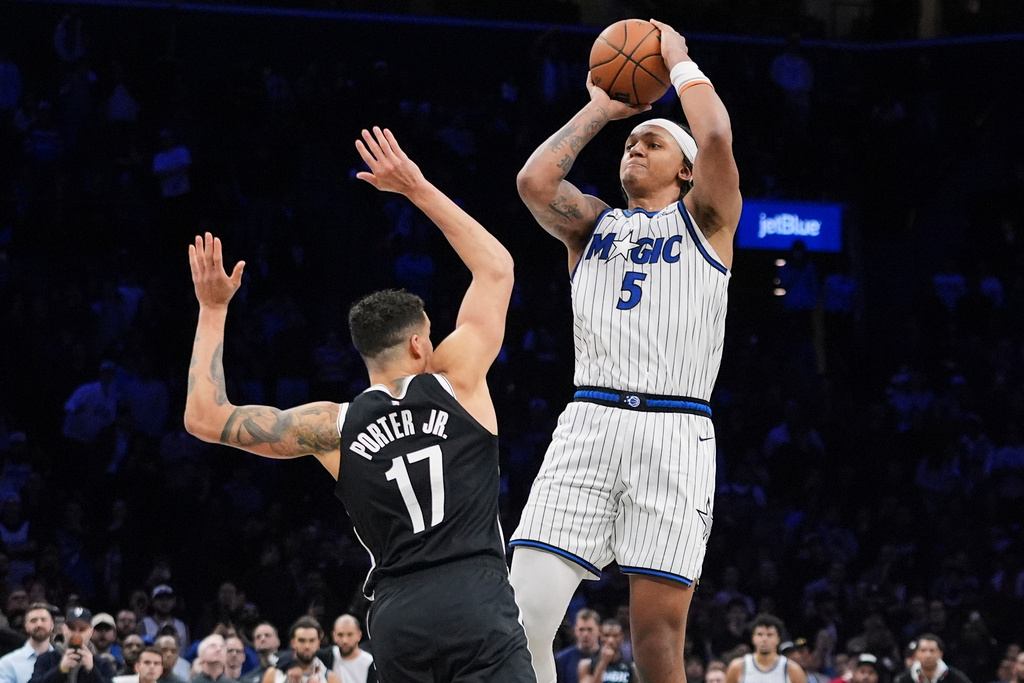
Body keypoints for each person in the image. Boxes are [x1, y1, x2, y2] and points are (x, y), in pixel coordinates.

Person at [183, 126, 532, 683]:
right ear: (420, 343)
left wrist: (213, 309)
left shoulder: (332, 426)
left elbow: (203, 417)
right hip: (478, 601)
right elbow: (496, 267)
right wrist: (416, 188)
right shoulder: (458, 379)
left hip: (399, 615)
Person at [508, 18, 742, 683]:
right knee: (519, 612)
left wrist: (679, 60)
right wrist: (603, 108)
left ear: (687, 168)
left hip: (675, 428)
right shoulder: (591, 224)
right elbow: (533, 181)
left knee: (657, 641)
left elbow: (718, 133)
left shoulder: (709, 218)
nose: (635, 147)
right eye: (630, 141)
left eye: (652, 140)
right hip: (589, 421)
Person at [29, 606, 116, 683]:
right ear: (63, 629)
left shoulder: (103, 664)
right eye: (72, 628)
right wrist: (60, 670)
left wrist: (92, 670)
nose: (76, 634)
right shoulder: (46, 659)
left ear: (91, 632)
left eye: (82, 629)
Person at [725, 614, 808, 683]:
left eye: (770, 635)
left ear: (778, 639)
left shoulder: (792, 669)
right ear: (753, 638)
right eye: (760, 634)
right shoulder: (738, 667)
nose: (764, 639)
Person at [262, 618, 336, 683]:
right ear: (293, 643)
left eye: (312, 640)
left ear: (318, 642)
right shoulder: (273, 674)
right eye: (302, 640)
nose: (307, 646)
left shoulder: (330, 678)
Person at [0, 603, 53, 683]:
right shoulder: (8, 664)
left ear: (52, 624)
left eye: (43, 619)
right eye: (33, 621)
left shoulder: (62, 658)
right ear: (26, 627)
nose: (39, 624)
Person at [892, 635, 972, 683]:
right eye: (923, 650)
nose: (928, 655)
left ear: (940, 654)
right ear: (916, 654)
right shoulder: (903, 680)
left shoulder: (955, 678)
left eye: (932, 650)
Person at [554, 609, 601, 683]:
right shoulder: (562, 660)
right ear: (575, 630)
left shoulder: (607, 658)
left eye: (590, 629)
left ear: (599, 630)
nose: (585, 634)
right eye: (581, 630)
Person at [328, 616, 373, 683]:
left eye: (350, 635)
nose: (345, 640)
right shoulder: (328, 657)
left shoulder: (369, 662)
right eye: (340, 635)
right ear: (334, 636)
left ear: (359, 635)